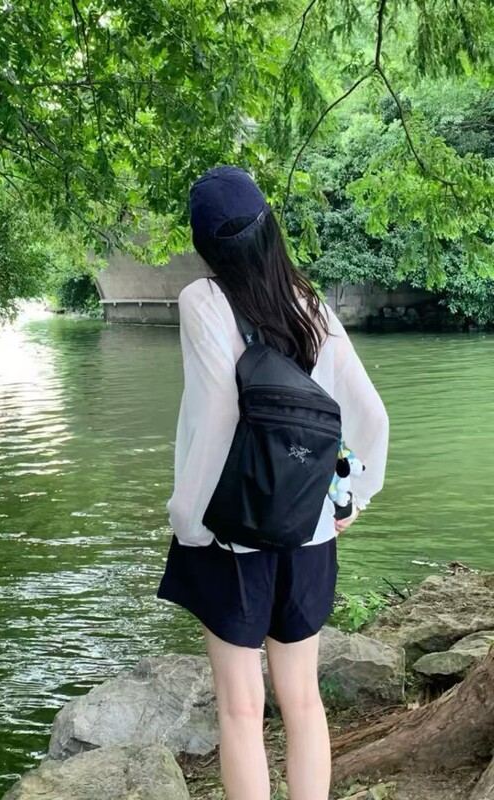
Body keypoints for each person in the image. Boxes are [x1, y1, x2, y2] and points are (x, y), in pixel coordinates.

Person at [156, 166, 389, 800]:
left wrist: (189, 522)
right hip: (310, 529)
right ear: (269, 228)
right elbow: (371, 416)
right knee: (303, 700)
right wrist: (354, 496)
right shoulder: (310, 304)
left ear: (206, 246)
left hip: (231, 534)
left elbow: (217, 418)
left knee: (240, 709)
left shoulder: (204, 301)